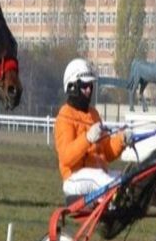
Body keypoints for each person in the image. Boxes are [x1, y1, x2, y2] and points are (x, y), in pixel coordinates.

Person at [54, 58, 134, 196]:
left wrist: (122, 140)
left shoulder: (94, 114)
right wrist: (87, 138)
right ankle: (115, 199)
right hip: (74, 178)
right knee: (102, 179)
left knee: (131, 179)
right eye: (85, 86)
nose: (89, 90)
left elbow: (107, 153)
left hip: (100, 174)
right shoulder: (64, 116)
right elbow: (66, 157)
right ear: (72, 86)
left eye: (91, 85)